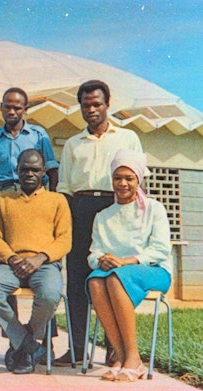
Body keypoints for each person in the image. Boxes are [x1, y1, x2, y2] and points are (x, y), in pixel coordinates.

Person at [54, 80, 146, 367]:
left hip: (114, 208)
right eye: (86, 105)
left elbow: (139, 181)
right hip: (80, 210)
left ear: (108, 104)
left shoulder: (128, 137)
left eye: (97, 104)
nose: (91, 110)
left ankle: (115, 349)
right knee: (78, 281)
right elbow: (65, 188)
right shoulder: (72, 144)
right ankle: (78, 350)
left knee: (110, 278)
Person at [0, 149, 71, 374]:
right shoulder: (2, 199)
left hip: (45, 264)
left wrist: (40, 258)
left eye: (35, 170)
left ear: (44, 173)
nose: (29, 174)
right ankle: (29, 346)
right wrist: (11, 257)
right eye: (24, 169)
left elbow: (65, 239)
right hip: (11, 263)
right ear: (17, 171)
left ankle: (21, 344)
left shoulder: (57, 200)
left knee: (50, 294)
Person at [87, 149, 171, 382]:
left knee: (116, 277)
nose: (122, 183)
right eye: (117, 178)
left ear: (138, 180)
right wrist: (101, 260)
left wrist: (125, 261)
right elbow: (94, 253)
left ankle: (134, 357)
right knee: (94, 280)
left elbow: (161, 249)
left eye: (129, 178)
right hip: (116, 272)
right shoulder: (103, 216)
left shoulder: (154, 209)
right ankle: (120, 355)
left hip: (155, 270)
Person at [0, 87, 59, 196]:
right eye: (7, 107)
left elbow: (51, 169)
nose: (11, 112)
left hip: (33, 195)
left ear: (25, 109)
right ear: (1, 107)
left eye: (17, 108)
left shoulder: (38, 135)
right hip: (2, 195)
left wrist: (53, 197)